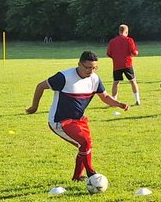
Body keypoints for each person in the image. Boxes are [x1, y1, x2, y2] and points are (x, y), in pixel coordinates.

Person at [26, 50, 127, 183]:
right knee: (85, 143)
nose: (91, 71)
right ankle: (91, 174)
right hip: (60, 121)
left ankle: (77, 177)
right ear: (79, 64)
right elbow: (40, 86)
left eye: (94, 68)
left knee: (85, 145)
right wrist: (34, 107)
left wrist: (118, 104)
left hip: (79, 120)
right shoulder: (64, 77)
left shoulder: (95, 79)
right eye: (88, 67)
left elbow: (105, 97)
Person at [105, 23, 141, 105]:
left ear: (119, 31)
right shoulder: (129, 40)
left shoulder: (112, 41)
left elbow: (108, 53)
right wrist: (136, 52)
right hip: (127, 64)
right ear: (126, 32)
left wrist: (116, 57)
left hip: (117, 65)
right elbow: (134, 52)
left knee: (116, 82)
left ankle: (114, 101)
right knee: (133, 81)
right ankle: (137, 100)